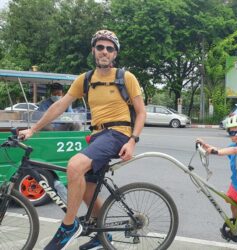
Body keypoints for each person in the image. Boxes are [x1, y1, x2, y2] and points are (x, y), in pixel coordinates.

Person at [19, 29, 146, 250]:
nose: (104, 52)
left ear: (115, 54)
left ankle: (68, 227)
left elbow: (141, 112)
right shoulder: (85, 80)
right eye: (100, 47)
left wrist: (133, 140)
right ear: (93, 51)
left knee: (74, 166)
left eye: (109, 48)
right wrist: (33, 129)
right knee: (87, 190)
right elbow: (59, 105)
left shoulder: (126, 78)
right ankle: (102, 237)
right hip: (97, 136)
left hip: (118, 133)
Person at [197, 114, 237, 250]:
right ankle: (236, 225)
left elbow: (234, 150)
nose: (236, 135)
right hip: (236, 186)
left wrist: (215, 151)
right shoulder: (233, 145)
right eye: (232, 132)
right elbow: (224, 150)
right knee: (233, 206)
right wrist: (206, 146)